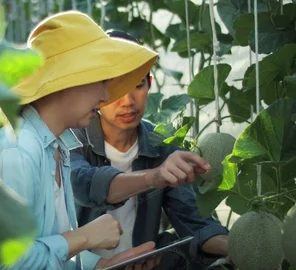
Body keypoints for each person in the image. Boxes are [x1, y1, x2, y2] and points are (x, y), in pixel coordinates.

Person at [0, 11, 161, 270]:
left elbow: (44, 249)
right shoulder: (17, 152)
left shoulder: (57, 149)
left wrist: (102, 265)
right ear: (67, 80)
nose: (105, 96)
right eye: (101, 81)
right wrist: (83, 237)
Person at [69, 30, 230, 270]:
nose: (128, 101)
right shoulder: (72, 139)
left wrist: (239, 248)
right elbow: (86, 185)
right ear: (97, 91)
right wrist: (154, 177)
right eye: (115, 88)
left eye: (137, 85)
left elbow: (194, 222)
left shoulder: (161, 145)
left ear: (150, 84)